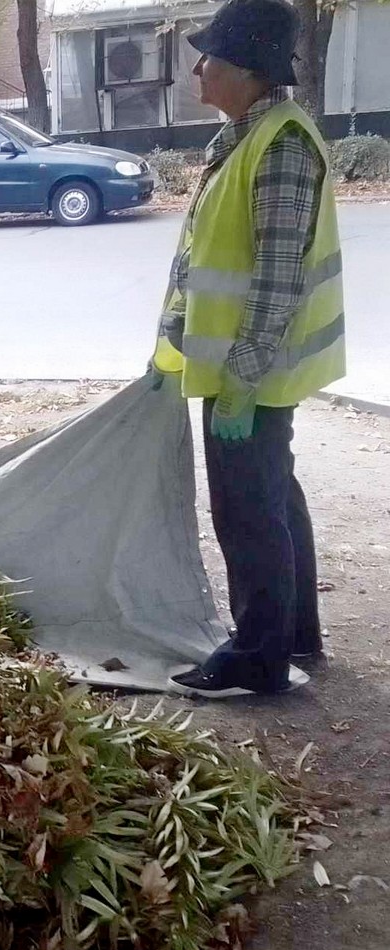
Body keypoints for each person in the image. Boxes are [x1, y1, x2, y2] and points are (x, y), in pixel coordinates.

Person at [147, 0, 346, 698]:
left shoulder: (281, 144)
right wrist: (169, 344)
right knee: (271, 495)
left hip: (255, 372)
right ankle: (295, 634)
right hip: (244, 367)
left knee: (246, 510)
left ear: (247, 72)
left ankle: (258, 657)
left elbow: (277, 275)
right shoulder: (243, 134)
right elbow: (202, 256)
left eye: (209, 60)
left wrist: (242, 381)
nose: (197, 70)